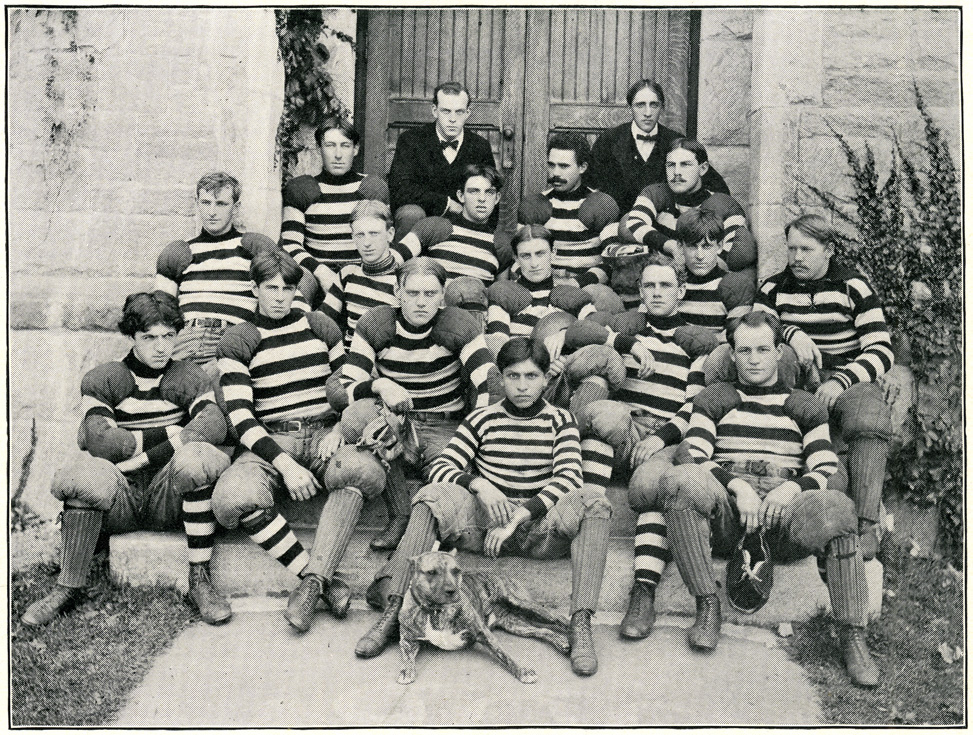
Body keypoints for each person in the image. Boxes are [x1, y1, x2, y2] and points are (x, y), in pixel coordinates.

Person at [355, 336, 612, 677]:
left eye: (531, 376)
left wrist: (522, 513)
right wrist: (480, 485)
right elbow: (442, 466)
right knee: (432, 495)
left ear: (545, 378)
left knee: (594, 500)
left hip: (539, 528)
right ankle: (396, 608)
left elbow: (568, 477)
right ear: (501, 378)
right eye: (513, 376)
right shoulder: (482, 418)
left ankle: (580, 625)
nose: (522, 386)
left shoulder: (560, 420)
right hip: (487, 527)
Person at [661, 311, 879, 687]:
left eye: (763, 349)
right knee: (680, 481)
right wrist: (736, 486)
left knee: (839, 509)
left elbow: (827, 466)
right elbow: (692, 453)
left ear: (779, 352)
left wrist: (792, 487)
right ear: (731, 354)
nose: (754, 358)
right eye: (744, 350)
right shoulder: (717, 397)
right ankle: (707, 604)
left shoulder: (804, 405)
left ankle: (852, 636)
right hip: (729, 515)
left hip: (784, 517)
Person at [21, 292, 231, 626]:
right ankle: (69, 585)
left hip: (169, 495)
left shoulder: (188, 376)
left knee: (198, 458)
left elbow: (213, 425)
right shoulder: (108, 378)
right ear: (132, 337)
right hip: (122, 497)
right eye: (149, 337)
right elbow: (101, 441)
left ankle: (199, 581)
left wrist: (141, 454)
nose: (160, 347)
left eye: (168, 336)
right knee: (83, 475)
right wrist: (173, 434)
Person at [211, 250, 381, 634]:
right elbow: (240, 415)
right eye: (270, 288)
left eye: (288, 288)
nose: (279, 296)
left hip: (325, 432)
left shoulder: (320, 325)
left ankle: (310, 586)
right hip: (272, 438)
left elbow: (347, 385)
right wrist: (285, 464)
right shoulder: (240, 339)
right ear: (254, 288)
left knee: (362, 468)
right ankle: (319, 580)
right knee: (233, 496)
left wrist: (341, 427)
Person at [555, 252, 714, 640]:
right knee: (605, 415)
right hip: (623, 429)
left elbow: (694, 406)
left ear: (682, 290)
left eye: (665, 285)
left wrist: (662, 438)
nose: (657, 293)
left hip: (662, 437)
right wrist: (623, 342)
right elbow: (563, 336)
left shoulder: (693, 342)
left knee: (654, 487)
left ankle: (643, 591)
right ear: (640, 291)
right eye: (649, 286)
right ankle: (585, 518)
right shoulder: (626, 329)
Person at [750, 214, 897, 559]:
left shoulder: (853, 286)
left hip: (846, 377)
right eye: (792, 249)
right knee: (779, 359)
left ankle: (865, 524)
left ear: (829, 250)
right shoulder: (774, 287)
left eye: (806, 249)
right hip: (795, 379)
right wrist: (790, 332)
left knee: (869, 418)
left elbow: (880, 347)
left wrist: (841, 380)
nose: (797, 257)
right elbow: (753, 328)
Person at [339, 257, 498, 551]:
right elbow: (345, 387)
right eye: (412, 293)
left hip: (445, 422)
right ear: (397, 292)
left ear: (442, 296)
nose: (421, 302)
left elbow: (487, 381)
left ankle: (428, 533)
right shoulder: (376, 322)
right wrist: (379, 384)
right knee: (363, 420)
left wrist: (474, 434)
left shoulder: (459, 323)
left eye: (430, 294)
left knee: (446, 471)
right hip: (398, 421)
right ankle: (400, 513)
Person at [155, 172, 317, 372]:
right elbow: (159, 315)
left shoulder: (252, 246)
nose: (212, 212)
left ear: (236, 207)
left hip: (233, 337)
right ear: (197, 203)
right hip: (186, 339)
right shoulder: (180, 252)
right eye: (206, 203)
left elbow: (300, 280)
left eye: (221, 204)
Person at [280, 117, 390, 293]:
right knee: (299, 282)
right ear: (319, 148)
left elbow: (382, 243)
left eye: (345, 146)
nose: (338, 154)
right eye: (330, 145)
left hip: (361, 274)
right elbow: (290, 245)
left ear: (355, 149)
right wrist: (321, 272)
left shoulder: (370, 188)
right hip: (316, 275)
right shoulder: (303, 189)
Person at [588, 79, 729, 213]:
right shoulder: (609, 139)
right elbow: (589, 183)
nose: (648, 113)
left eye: (654, 105)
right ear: (630, 107)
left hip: (663, 223)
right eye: (640, 105)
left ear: (662, 107)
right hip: (619, 224)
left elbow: (718, 187)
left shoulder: (676, 141)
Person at [624, 138, 757, 273]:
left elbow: (736, 253)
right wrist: (671, 246)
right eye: (671, 165)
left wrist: (671, 232)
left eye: (685, 164)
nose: (676, 172)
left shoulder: (724, 204)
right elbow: (632, 224)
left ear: (703, 168)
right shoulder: (655, 193)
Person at [388, 82, 496, 231]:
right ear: (434, 111)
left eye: (459, 112)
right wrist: (447, 204)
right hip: (423, 219)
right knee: (410, 214)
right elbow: (400, 190)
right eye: (446, 111)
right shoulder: (411, 140)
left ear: (468, 113)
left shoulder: (480, 146)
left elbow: (491, 192)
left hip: (465, 221)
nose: (452, 119)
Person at [518, 133, 620, 287]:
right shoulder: (534, 205)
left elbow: (612, 262)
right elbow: (520, 258)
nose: (556, 173)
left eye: (564, 166)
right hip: (543, 284)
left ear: (582, 167)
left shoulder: (601, 204)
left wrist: (576, 284)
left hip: (587, 286)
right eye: (551, 165)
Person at [484, 225, 596, 355]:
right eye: (526, 256)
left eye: (540, 254)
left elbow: (596, 329)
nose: (534, 263)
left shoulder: (571, 294)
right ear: (516, 258)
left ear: (553, 253)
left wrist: (566, 334)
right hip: (518, 367)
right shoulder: (505, 293)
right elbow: (498, 344)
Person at [395, 164, 513, 286]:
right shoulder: (436, 226)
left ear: (497, 198)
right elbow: (394, 261)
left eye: (489, 192)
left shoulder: (500, 242)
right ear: (461, 196)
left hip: (475, 303)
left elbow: (498, 294)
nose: (482, 199)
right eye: (474, 191)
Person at [319, 200, 400, 347]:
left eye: (374, 234)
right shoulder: (348, 274)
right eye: (360, 235)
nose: (366, 243)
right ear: (353, 237)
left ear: (390, 234)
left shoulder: (403, 280)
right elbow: (323, 320)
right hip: (350, 358)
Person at [674, 209, 756, 339]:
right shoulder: (671, 282)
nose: (699, 256)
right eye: (692, 246)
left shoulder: (734, 286)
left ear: (719, 246)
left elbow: (734, 339)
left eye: (706, 246)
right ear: (680, 247)